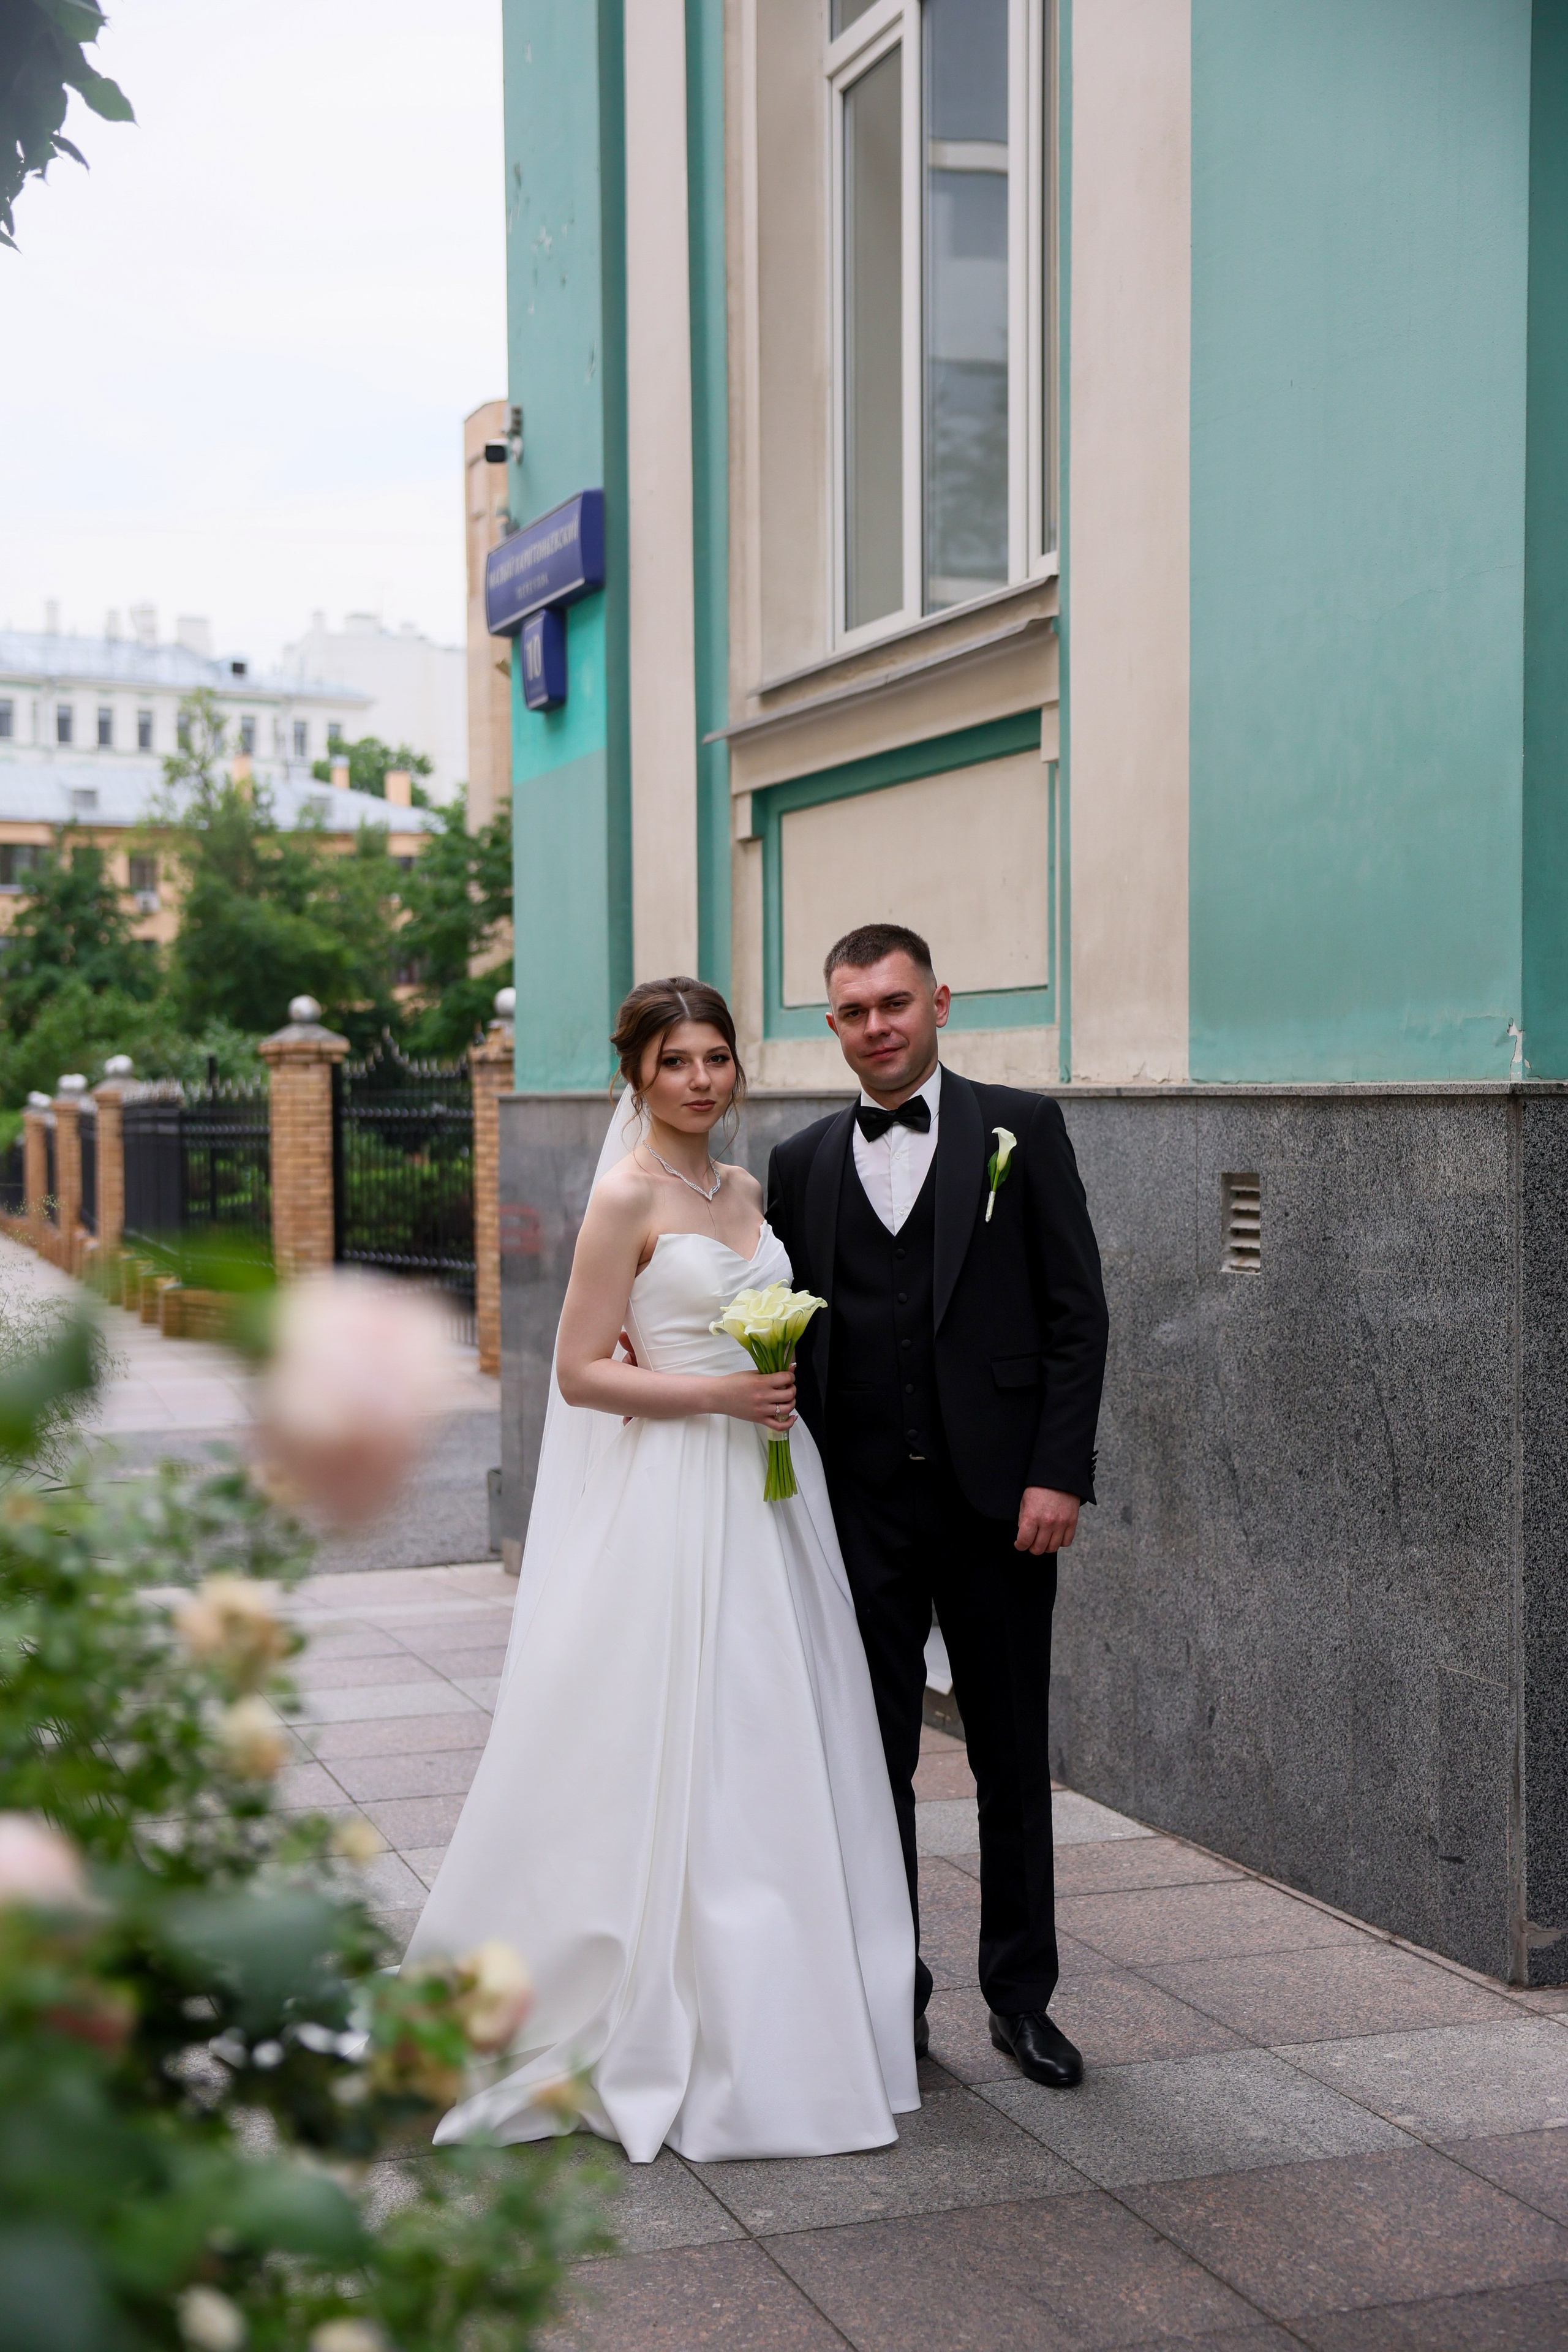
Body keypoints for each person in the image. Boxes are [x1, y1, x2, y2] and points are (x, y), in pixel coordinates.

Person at [404, 976, 918, 2163]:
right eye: (676, 1061)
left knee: (771, 1734)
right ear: (636, 1075)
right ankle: (645, 2002)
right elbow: (581, 1371)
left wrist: (761, 1394)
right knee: (668, 1731)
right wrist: (717, 1393)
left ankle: (789, 2008)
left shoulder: (745, 1188)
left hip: (773, 1496)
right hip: (678, 1490)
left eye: (716, 1058)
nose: (700, 1080)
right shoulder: (622, 1198)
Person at [766, 923, 1109, 2089]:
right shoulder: (800, 1161)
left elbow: (1077, 1315)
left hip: (1003, 1504)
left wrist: (1058, 1473)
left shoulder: (1025, 1127)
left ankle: (1021, 2001)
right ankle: (888, 1994)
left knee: (1013, 1759)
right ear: (832, 1026)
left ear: (941, 1003)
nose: (877, 1026)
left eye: (895, 1003)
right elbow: (788, 1327)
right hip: (856, 1510)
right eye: (854, 1010)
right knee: (871, 1763)